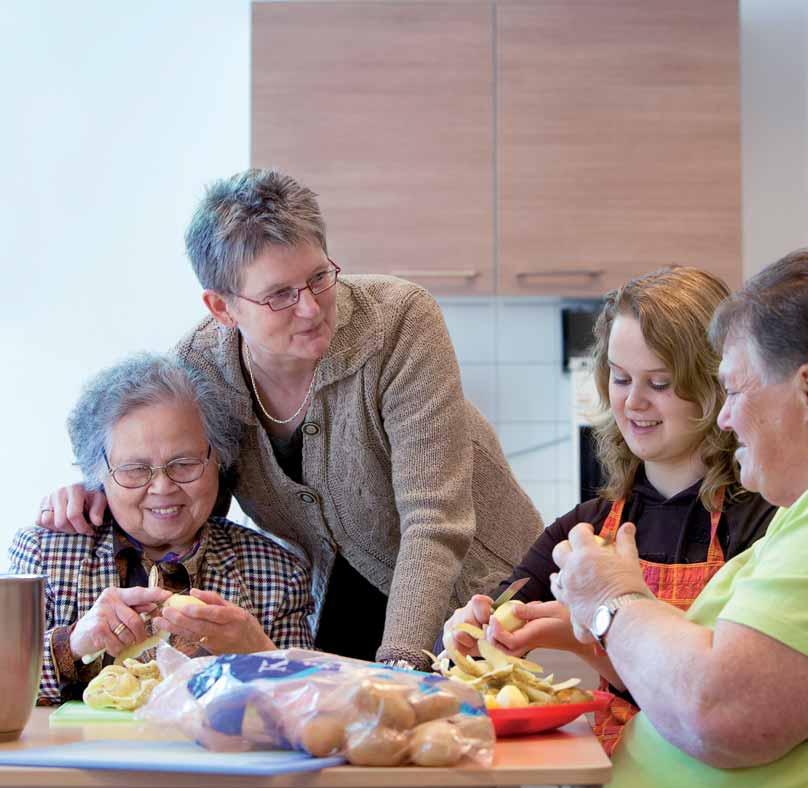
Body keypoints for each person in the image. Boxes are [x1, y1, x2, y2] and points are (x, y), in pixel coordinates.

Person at [36, 169, 543, 670]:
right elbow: (180, 480)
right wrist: (95, 492)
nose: (310, 309)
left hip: (483, 582)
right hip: (348, 583)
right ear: (222, 307)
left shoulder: (398, 322)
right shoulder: (198, 367)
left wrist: (403, 666)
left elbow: (434, 519)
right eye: (279, 294)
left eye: (319, 278)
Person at [443, 265, 775, 754]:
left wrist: (592, 640)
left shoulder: (763, 520)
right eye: (620, 378)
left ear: (713, 386)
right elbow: (490, 622)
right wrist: (469, 632)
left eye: (659, 383)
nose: (633, 402)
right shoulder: (586, 528)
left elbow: (722, 702)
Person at [550, 250, 808, 786]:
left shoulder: (778, 519)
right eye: (620, 379)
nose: (726, 416)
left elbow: (717, 711)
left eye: (735, 389)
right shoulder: (793, 518)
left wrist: (610, 602)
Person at [13, 354, 314, 705]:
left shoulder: (277, 573)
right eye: (136, 469)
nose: (162, 487)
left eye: (184, 464)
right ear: (98, 474)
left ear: (218, 458)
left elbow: (308, 709)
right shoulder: (46, 552)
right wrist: (73, 643)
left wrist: (259, 651)